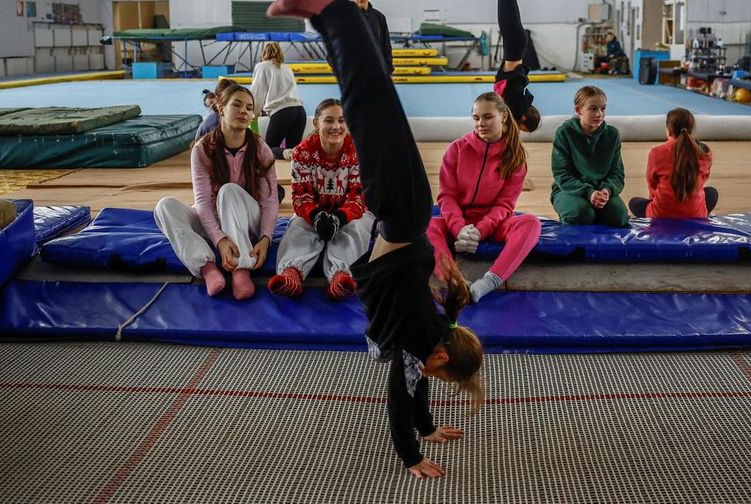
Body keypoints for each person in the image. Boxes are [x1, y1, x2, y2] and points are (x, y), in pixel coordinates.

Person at [269, 0, 484, 479]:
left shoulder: (430, 338)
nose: (431, 377)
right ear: (442, 356)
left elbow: (418, 383)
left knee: (378, 105)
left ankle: (359, 16)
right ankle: (331, 12)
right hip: (402, 214)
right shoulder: (421, 343)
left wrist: (427, 427)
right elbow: (401, 399)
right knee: (370, 105)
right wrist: (414, 453)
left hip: (404, 215)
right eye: (441, 372)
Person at [154, 84, 279, 300]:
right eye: (237, 105)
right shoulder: (203, 149)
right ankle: (207, 268)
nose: (244, 111)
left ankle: (241, 268)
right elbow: (202, 200)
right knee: (164, 206)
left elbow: (270, 200)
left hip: (247, 220)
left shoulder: (260, 148)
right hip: (215, 220)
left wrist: (266, 238)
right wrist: (219, 239)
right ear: (221, 108)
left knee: (229, 191)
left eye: (249, 108)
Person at [428, 92, 541, 303]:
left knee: (530, 223)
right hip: (459, 221)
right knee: (429, 226)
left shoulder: (514, 156)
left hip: (493, 224)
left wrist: (480, 232)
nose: (481, 123)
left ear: (503, 116)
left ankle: (488, 282)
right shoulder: (457, 149)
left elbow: (504, 205)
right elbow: (447, 197)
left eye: (488, 117)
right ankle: (455, 282)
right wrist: (459, 229)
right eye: (476, 118)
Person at [268, 98, 374, 300]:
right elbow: (301, 197)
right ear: (316, 124)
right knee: (298, 226)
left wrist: (339, 219)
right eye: (329, 120)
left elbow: (358, 197)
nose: (336, 126)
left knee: (356, 229)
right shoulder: (301, 152)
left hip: (350, 213)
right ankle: (292, 273)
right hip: (314, 212)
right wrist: (316, 216)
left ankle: (340, 275)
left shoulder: (358, 151)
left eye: (342, 121)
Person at [551, 86, 629, 227]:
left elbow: (617, 173)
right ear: (578, 110)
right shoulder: (565, 133)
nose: (599, 114)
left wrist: (607, 191)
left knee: (619, 216)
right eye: (593, 109)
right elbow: (561, 174)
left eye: (603, 108)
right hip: (570, 190)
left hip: (601, 191)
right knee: (581, 214)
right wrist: (589, 192)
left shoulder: (612, 134)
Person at [629, 108, 719, 219]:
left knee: (634, 203)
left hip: (662, 215)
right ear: (692, 129)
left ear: (669, 130)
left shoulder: (656, 152)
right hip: (695, 214)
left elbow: (652, 184)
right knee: (711, 193)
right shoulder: (704, 151)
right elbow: (703, 180)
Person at [251, 41, 308, 160]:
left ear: (264, 53)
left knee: (269, 149)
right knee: (294, 154)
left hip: (282, 112)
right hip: (299, 111)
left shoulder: (262, 66)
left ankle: (284, 155)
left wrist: (254, 114)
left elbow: (258, 91)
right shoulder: (287, 68)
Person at [493, 0, 541, 132]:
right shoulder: (514, 103)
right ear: (524, 118)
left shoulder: (514, 101)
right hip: (515, 44)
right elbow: (511, 118)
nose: (519, 130)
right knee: (506, 5)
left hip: (517, 44)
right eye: (522, 129)